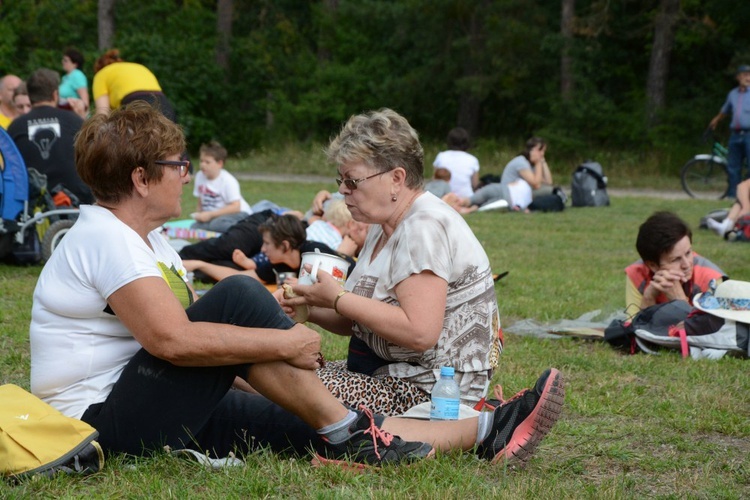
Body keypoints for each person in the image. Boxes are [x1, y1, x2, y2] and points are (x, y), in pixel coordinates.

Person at [29, 101, 565, 469]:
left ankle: (474, 431)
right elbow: (174, 341)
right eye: (178, 165)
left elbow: (198, 340)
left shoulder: (146, 241)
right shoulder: (106, 239)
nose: (188, 174)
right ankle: (360, 433)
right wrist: (285, 342)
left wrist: (280, 356)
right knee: (242, 299)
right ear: (142, 179)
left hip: (149, 397)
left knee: (291, 413)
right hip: (99, 419)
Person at [282, 108, 506, 416]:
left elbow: (420, 332)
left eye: (353, 181)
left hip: (431, 392)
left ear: (396, 179)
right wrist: (310, 306)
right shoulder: (383, 223)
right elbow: (359, 320)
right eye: (341, 180)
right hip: (391, 375)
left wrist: (337, 297)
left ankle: (474, 425)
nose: (342, 190)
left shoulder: (422, 227)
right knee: (271, 373)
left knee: (276, 381)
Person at [182, 212, 358, 285]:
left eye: (267, 244)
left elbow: (338, 287)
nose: (263, 249)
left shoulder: (314, 252)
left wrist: (304, 287)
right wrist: (200, 265)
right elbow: (241, 277)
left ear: (285, 246)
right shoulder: (280, 264)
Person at [7, 68, 93, 205]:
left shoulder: (15, 126)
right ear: (55, 95)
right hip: (76, 199)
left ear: (30, 95)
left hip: (33, 202)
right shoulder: (74, 120)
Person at [625, 211, 726, 317]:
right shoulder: (637, 273)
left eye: (688, 253)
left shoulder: (711, 280)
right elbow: (633, 330)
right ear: (652, 266)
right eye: (675, 259)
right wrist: (648, 299)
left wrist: (680, 302)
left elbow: (713, 331)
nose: (686, 264)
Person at [92, 49, 176, 122]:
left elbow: (102, 114)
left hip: (135, 104)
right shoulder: (138, 66)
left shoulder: (101, 74)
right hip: (163, 103)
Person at [190, 140, 252, 232]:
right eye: (201, 161)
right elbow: (200, 200)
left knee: (216, 225)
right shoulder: (200, 176)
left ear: (219, 164)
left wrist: (210, 215)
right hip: (215, 216)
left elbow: (236, 206)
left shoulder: (228, 180)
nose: (202, 165)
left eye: (207, 162)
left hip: (239, 213)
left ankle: (246, 228)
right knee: (194, 227)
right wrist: (200, 214)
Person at [708, 64, 750, 198]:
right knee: (733, 168)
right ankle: (733, 196)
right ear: (738, 77)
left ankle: (747, 196)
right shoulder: (732, 94)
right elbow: (725, 111)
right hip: (735, 136)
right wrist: (715, 120)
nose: (747, 77)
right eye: (744, 75)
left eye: (749, 75)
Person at [432, 127, 480, 197]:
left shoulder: (441, 156)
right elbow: (475, 184)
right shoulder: (472, 160)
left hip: (443, 196)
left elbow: (435, 179)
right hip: (465, 198)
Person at [59, 48, 90, 114]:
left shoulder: (77, 75)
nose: (62, 62)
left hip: (75, 114)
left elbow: (85, 102)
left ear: (75, 64)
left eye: (66, 60)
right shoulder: (65, 78)